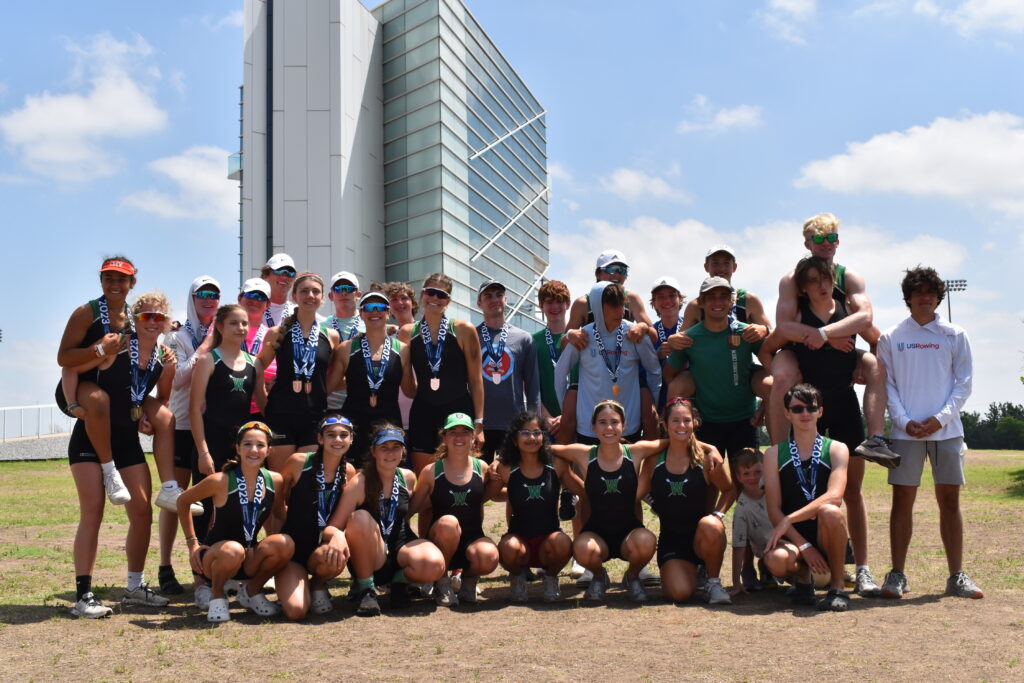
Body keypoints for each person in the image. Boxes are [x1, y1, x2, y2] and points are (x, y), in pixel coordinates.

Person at [761, 256, 886, 595]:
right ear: (803, 288)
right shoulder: (798, 317)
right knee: (793, 489)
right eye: (813, 280)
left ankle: (862, 568)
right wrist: (789, 358)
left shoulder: (847, 309)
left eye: (826, 278)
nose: (822, 285)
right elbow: (769, 347)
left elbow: (877, 338)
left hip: (841, 403)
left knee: (854, 492)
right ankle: (802, 567)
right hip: (807, 410)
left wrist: (863, 362)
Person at [67, 292, 177, 618]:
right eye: (146, 317)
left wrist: (148, 414)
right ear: (135, 320)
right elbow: (70, 364)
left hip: (127, 442)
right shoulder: (116, 345)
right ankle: (83, 595)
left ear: (166, 322)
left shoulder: (163, 359)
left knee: (142, 513)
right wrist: (72, 403)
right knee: (93, 512)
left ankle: (134, 588)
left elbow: (161, 396)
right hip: (90, 440)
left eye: (159, 317)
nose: (152, 322)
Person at [877, 267, 983, 599]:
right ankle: (897, 575)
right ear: (907, 297)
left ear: (939, 296)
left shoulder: (955, 334)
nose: (925, 296)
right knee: (901, 502)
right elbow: (887, 386)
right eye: (918, 291)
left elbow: (963, 385)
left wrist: (940, 419)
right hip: (905, 433)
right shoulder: (891, 336)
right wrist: (904, 421)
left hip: (947, 432)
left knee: (950, 502)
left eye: (931, 291)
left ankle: (956, 576)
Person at [768, 213, 897, 460]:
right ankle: (777, 451)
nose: (826, 243)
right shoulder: (792, 280)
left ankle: (876, 440)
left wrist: (825, 334)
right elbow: (784, 326)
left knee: (874, 364)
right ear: (807, 243)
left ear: (838, 241)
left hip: (839, 358)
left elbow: (865, 318)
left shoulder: (849, 276)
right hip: (805, 357)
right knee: (782, 376)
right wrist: (823, 337)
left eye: (832, 237)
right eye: (819, 238)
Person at [549, 401, 666, 603]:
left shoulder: (636, 451)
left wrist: (709, 448)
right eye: (602, 422)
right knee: (581, 548)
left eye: (614, 422)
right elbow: (544, 448)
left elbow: (676, 439)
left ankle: (632, 576)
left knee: (647, 541)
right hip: (596, 534)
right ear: (593, 427)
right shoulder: (584, 453)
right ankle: (599, 576)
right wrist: (502, 458)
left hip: (629, 534)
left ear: (624, 425)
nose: (609, 428)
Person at [177, 421, 294, 622]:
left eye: (260, 445)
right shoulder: (220, 480)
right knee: (233, 550)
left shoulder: (275, 480)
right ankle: (216, 595)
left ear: (269, 451)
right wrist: (192, 544)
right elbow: (182, 501)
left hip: (247, 557)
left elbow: (279, 514)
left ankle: (251, 592)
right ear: (238, 448)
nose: (254, 450)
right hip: (215, 558)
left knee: (285, 544)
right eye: (247, 444)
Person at [187, 304, 264, 607]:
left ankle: (234, 575)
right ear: (219, 326)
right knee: (206, 512)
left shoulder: (253, 363)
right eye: (234, 323)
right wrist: (203, 451)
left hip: (242, 451)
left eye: (244, 323)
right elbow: (194, 410)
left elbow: (261, 406)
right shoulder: (208, 361)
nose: (241, 328)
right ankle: (201, 582)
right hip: (211, 445)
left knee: (237, 510)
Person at [331, 423, 446, 616]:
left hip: (400, 548)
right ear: (373, 451)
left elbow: (414, 509)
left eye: (396, 447)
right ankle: (366, 588)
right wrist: (336, 537)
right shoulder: (360, 482)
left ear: (403, 452)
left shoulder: (407, 477)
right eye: (384, 447)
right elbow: (334, 526)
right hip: (371, 555)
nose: (390, 453)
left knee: (434, 565)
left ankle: (399, 582)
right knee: (359, 517)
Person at [664, 276, 772, 480]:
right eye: (711, 297)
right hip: (707, 422)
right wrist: (690, 407)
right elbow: (670, 375)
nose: (718, 302)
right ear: (701, 303)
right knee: (708, 483)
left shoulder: (745, 332)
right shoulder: (689, 337)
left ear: (731, 302)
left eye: (723, 297)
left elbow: (772, 368)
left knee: (749, 482)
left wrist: (764, 406)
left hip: (744, 421)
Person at [57, 256, 137, 506]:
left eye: (122, 279)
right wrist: (99, 350)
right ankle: (109, 470)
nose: (115, 284)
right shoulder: (86, 312)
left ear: (132, 283)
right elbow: (63, 358)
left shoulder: (134, 316)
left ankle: (169, 486)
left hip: (114, 389)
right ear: (100, 281)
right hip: (79, 386)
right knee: (100, 401)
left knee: (161, 415)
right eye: (108, 278)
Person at [763, 384, 851, 612]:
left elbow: (835, 496)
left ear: (820, 412)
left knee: (830, 511)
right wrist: (803, 545)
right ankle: (803, 579)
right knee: (775, 561)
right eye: (798, 408)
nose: (805, 414)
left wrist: (788, 519)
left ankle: (838, 587)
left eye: (811, 408)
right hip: (793, 539)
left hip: (825, 534)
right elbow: (774, 510)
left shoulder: (837, 449)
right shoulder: (773, 454)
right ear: (787, 413)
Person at [637, 398, 733, 605]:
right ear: (665, 424)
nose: (682, 426)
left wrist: (717, 515)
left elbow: (729, 490)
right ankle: (692, 571)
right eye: (675, 421)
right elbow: (637, 494)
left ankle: (713, 582)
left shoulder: (707, 458)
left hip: (703, 537)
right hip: (672, 541)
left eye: (687, 420)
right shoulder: (654, 460)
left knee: (710, 524)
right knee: (679, 594)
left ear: (695, 423)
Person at [162, 275, 223, 595]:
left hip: (208, 427)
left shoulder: (223, 332)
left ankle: (205, 565)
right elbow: (179, 379)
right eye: (203, 294)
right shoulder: (178, 335)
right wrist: (206, 344)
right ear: (192, 298)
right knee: (176, 500)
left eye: (214, 294)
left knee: (209, 502)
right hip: (181, 425)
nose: (209, 299)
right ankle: (165, 566)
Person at [398, 273, 485, 492]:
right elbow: (408, 388)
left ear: (448, 300)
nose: (434, 298)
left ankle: (461, 525)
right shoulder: (408, 333)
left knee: (458, 481)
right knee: (426, 485)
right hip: (423, 412)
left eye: (441, 294)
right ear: (422, 294)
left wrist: (479, 423)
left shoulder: (464, 329)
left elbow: (476, 380)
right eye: (430, 292)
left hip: (458, 410)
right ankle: (430, 527)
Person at [408, 413, 502, 607]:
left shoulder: (483, 467)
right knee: (449, 523)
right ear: (444, 437)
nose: (459, 437)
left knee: (489, 556)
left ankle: (467, 582)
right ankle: (442, 582)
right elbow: (411, 510)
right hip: (440, 542)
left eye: (465, 432)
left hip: (471, 540)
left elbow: (493, 495)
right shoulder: (431, 471)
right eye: (453, 432)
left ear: (473, 437)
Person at [561, 250, 655, 443]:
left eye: (622, 270)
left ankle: (651, 468)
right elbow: (563, 344)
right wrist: (571, 334)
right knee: (568, 421)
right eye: (611, 269)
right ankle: (561, 469)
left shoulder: (632, 299)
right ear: (598, 274)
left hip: (626, 375)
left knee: (651, 416)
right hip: (590, 376)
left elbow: (653, 337)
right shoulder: (582, 302)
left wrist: (643, 327)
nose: (616, 275)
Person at [673, 245, 772, 421]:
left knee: (772, 383)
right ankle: (679, 439)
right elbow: (681, 342)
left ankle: (778, 446)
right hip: (707, 372)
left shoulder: (748, 300)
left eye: (726, 263)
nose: (720, 268)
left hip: (740, 368)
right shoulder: (697, 305)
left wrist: (764, 329)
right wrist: (671, 341)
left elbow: (773, 341)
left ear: (735, 267)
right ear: (706, 267)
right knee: (678, 384)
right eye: (715, 263)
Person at [275, 414, 357, 619]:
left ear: (351, 439)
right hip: (293, 549)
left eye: (343, 435)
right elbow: (279, 503)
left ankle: (318, 585)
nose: (337, 440)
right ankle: (289, 581)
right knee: (296, 611)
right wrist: (279, 545)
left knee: (336, 555)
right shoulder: (298, 462)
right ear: (320, 438)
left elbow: (347, 513)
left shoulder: (348, 471)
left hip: (322, 549)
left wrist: (338, 535)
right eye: (331, 435)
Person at [257, 273, 340, 471]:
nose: (310, 295)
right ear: (294, 296)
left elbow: (335, 376)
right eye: (304, 291)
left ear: (322, 298)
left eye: (315, 291)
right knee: (280, 480)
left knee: (306, 480)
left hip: (314, 418)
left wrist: (320, 391)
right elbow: (258, 366)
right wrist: (263, 403)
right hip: (280, 415)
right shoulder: (278, 332)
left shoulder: (331, 336)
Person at [326, 291, 414, 467]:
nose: (375, 312)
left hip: (389, 424)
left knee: (389, 477)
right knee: (353, 477)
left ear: (388, 313)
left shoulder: (402, 349)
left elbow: (409, 390)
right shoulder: (346, 348)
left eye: (380, 307)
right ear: (361, 314)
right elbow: (328, 387)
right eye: (368, 308)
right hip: (355, 424)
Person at [495, 411, 575, 603]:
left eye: (537, 432)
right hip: (519, 542)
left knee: (563, 543)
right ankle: (517, 577)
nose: (532, 438)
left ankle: (550, 578)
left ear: (544, 437)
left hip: (548, 542)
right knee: (508, 547)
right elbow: (487, 495)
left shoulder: (556, 464)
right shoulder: (506, 468)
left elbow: (584, 489)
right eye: (525, 433)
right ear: (514, 439)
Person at [476, 279, 540, 463]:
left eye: (499, 295)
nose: (494, 299)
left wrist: (534, 425)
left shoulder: (524, 338)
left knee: (514, 480)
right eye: (488, 296)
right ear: (479, 303)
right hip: (481, 425)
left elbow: (532, 386)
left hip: (514, 424)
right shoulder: (471, 336)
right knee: (483, 480)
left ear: (505, 300)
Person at [729, 448, 774, 595]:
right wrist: (736, 584)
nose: (753, 478)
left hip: (791, 547)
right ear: (738, 477)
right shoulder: (742, 509)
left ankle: (767, 569)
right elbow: (738, 546)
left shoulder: (776, 492)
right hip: (771, 554)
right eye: (746, 473)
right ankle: (767, 566)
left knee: (821, 579)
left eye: (758, 472)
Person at [325, 271, 365, 411]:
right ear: (331, 296)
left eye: (349, 289)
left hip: (362, 403)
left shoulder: (370, 324)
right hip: (329, 404)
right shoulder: (322, 327)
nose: (343, 293)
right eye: (338, 289)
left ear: (358, 295)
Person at [647, 276, 687, 412]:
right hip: (659, 402)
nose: (667, 301)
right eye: (661, 297)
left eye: (672, 295)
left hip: (691, 401)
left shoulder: (692, 328)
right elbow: (639, 370)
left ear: (680, 299)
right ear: (654, 303)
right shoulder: (650, 333)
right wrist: (657, 356)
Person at [382, 280, 418, 428]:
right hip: (393, 413)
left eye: (404, 298)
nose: (400, 303)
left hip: (421, 408)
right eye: (394, 300)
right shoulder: (385, 339)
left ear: (413, 304)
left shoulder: (425, 332)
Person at [238, 277, 273, 418]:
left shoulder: (271, 335)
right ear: (240, 298)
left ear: (268, 304)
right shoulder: (221, 330)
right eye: (250, 295)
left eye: (261, 297)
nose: (255, 300)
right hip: (229, 407)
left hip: (261, 409)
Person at [261, 253, 298, 327]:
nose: (284, 277)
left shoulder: (298, 311)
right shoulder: (254, 308)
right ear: (265, 275)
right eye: (279, 271)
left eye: (290, 273)